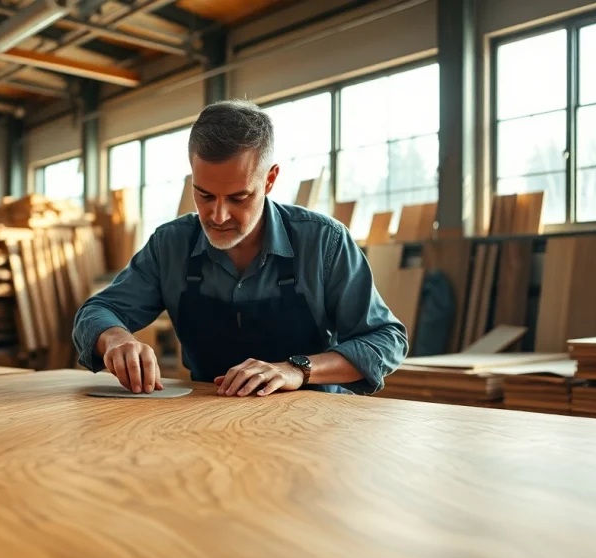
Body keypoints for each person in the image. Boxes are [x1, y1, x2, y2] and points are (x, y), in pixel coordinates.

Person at [73, 100, 408, 397]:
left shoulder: (323, 242)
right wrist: (116, 338)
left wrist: (297, 369)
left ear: (270, 179)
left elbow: (385, 340)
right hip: (207, 420)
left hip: (313, 424)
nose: (218, 216)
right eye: (204, 195)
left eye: (238, 197)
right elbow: (94, 313)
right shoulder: (170, 245)